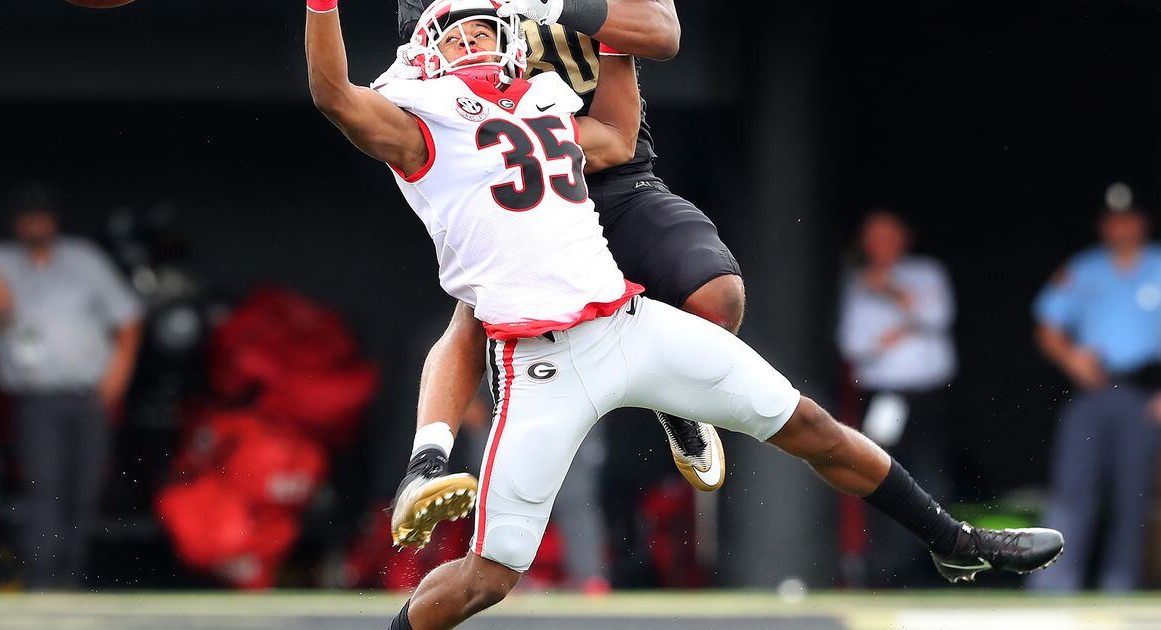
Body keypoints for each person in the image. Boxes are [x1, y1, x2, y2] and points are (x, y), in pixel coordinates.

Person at [304, 2, 1063, 627]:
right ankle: (422, 476)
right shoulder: (417, 124)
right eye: (459, 32)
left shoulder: (535, 102)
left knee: (811, 425)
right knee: (487, 577)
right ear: (425, 52)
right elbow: (334, 93)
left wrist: (609, 42)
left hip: (629, 325)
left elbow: (614, 136)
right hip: (539, 364)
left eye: (484, 30)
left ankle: (953, 538)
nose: (476, 41)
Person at [393, 0, 731, 507]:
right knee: (473, 316)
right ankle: (425, 465)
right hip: (505, 167)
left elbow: (662, 34)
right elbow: (421, 67)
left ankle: (675, 401)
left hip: (605, 158)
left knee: (717, 297)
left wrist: (551, 4)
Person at [0, 185, 144, 589]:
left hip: (88, 397)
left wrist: (118, 374)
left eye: (41, 214)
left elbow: (129, 316)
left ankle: (70, 584)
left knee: (84, 492)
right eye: (27, 215)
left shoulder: (84, 259)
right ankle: (40, 584)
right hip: (36, 401)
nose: (35, 222)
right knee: (45, 489)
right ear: (15, 222)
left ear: (55, 219)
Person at [1028, 204, 1161, 592]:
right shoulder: (1084, 268)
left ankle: (1120, 585)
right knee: (1072, 488)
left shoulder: (1160, 265)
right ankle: (1053, 585)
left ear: (1142, 222)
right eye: (1112, 219)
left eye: (1129, 218)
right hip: (1093, 392)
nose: (1121, 226)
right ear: (1102, 225)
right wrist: (1071, 357)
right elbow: (1047, 326)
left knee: (1133, 493)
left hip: (1145, 395)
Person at [837, 210, 958, 585]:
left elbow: (937, 315)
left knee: (931, 480)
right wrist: (905, 324)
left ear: (905, 237)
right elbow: (853, 344)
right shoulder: (856, 281)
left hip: (927, 397)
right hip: (882, 398)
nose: (881, 245)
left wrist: (890, 292)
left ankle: (937, 563)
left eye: (889, 236)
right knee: (881, 478)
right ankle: (889, 569)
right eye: (873, 237)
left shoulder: (926, 272)